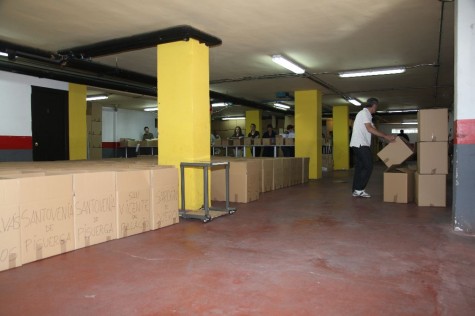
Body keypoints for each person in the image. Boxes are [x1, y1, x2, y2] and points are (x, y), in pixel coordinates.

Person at [350, 98, 396, 198]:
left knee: (360, 167)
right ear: (374, 105)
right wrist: (385, 136)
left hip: (358, 144)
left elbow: (373, 129)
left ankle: (356, 190)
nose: (376, 108)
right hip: (360, 144)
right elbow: (369, 129)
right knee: (369, 166)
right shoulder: (364, 113)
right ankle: (359, 189)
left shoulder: (367, 116)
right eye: (376, 106)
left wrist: (385, 138)